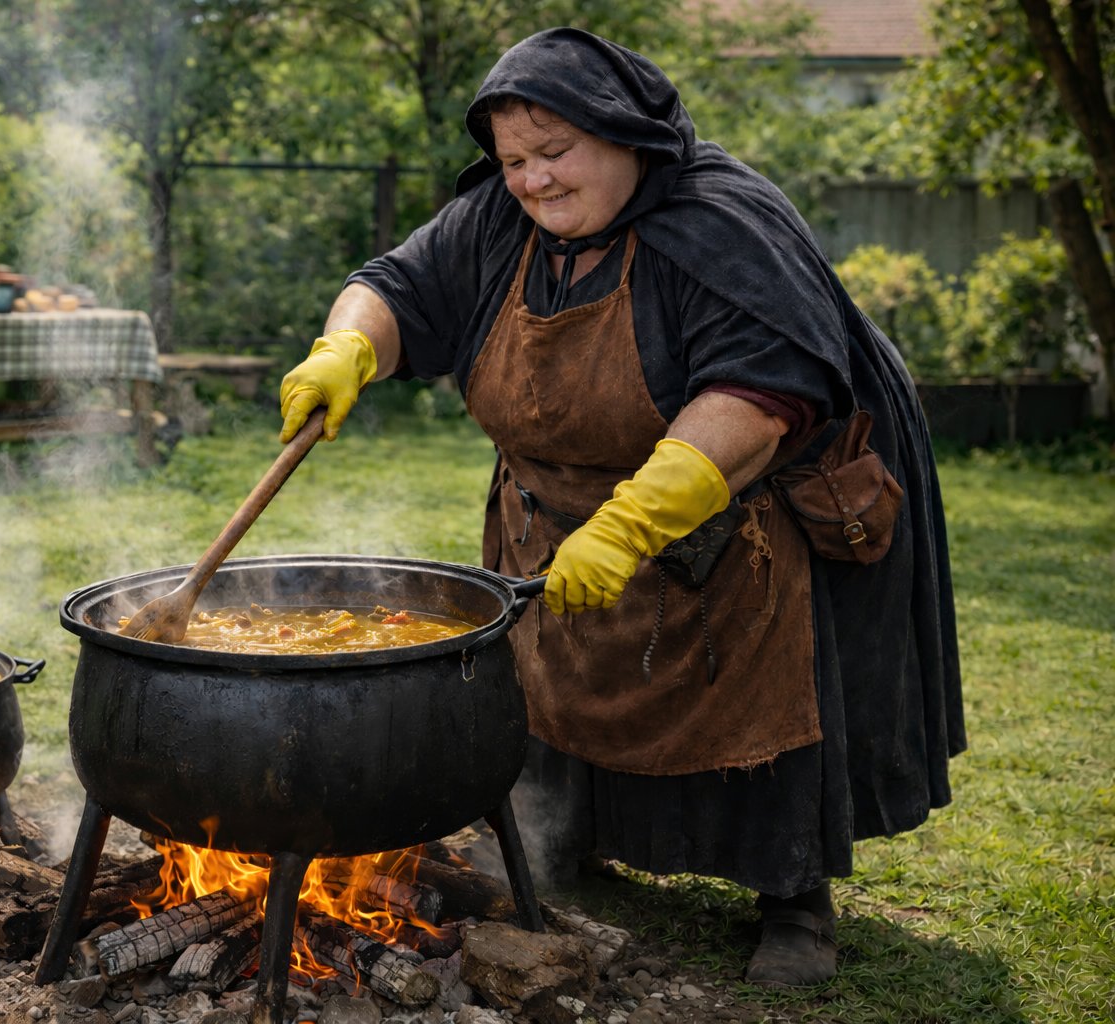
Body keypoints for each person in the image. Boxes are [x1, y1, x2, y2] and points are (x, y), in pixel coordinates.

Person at [276, 27, 965, 986]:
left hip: (722, 527)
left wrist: (634, 522)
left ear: (624, 136)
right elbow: (397, 286)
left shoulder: (722, 224)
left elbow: (762, 396)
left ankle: (794, 900)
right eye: (513, 160)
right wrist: (346, 347)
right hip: (545, 519)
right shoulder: (497, 223)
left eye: (555, 153)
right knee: (559, 685)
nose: (533, 182)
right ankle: (569, 842)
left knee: (746, 706)